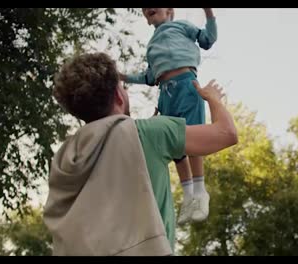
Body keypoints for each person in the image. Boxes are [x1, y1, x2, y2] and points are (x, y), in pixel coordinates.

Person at [43, 52, 237, 255]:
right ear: (118, 96)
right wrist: (213, 99)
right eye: (123, 87)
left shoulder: (65, 157)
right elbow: (226, 133)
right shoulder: (149, 133)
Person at [119, 8, 217, 225]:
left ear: (169, 11)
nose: (148, 9)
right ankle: (188, 195)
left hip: (186, 86)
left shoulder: (182, 26)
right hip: (166, 93)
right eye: (144, 10)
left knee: (191, 138)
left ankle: (200, 192)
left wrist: (209, 13)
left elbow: (208, 39)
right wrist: (124, 76)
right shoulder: (152, 46)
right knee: (175, 146)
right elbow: (149, 76)